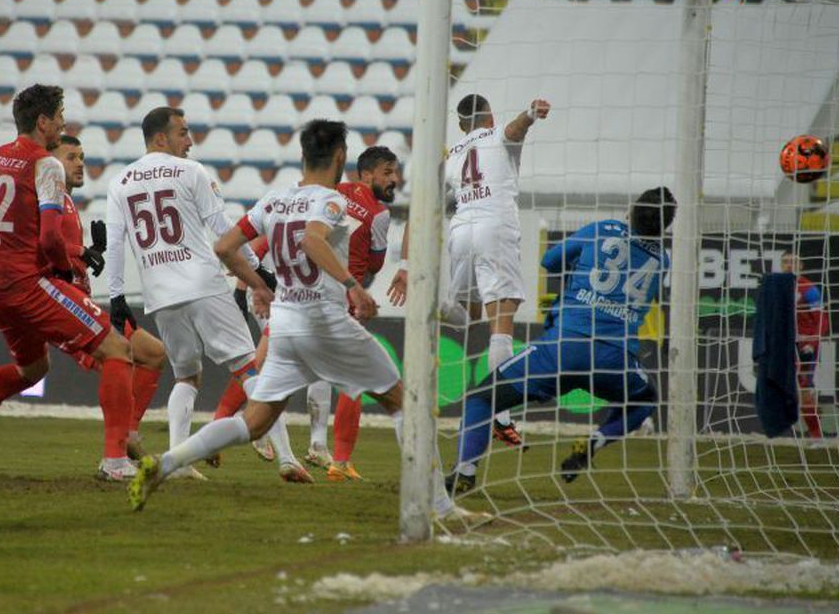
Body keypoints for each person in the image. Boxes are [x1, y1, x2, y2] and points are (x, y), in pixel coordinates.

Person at [129, 119, 488, 527]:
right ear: (340, 157)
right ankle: (443, 509)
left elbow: (225, 246)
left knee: (254, 421)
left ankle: (168, 462)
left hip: (284, 327)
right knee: (402, 403)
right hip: (324, 321)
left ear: (302, 156)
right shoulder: (331, 201)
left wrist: (259, 287)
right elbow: (312, 240)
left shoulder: (273, 201)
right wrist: (353, 285)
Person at [0, 85, 137, 482]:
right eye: (59, 116)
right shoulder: (46, 165)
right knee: (118, 350)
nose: (63, 123)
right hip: (28, 284)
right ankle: (115, 460)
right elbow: (51, 239)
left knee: (31, 368)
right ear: (42, 122)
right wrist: (66, 274)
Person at [104, 106, 309, 483]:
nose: (190, 140)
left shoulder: (120, 182)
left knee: (186, 377)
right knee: (249, 368)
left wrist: (116, 297)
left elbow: (115, 245)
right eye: (183, 132)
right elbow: (222, 226)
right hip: (201, 283)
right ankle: (286, 458)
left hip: (160, 294)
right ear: (161, 138)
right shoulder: (190, 171)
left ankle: (179, 462)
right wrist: (258, 268)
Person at [446, 187, 675, 495]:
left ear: (633, 210)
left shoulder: (601, 230)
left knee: (482, 399)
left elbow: (550, 261)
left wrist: (580, 273)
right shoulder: (664, 260)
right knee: (645, 400)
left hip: (561, 350)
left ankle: (465, 472)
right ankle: (597, 440)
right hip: (614, 360)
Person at [388, 94, 550, 449]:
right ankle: (501, 417)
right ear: (489, 116)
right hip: (495, 227)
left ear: (461, 125)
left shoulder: (450, 157)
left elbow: (420, 210)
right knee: (501, 323)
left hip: (461, 231)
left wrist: (404, 265)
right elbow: (513, 130)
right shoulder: (496, 136)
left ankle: (431, 305)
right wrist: (530, 113)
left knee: (471, 314)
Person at [52, 133, 166, 458]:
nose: (79, 164)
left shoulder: (67, 201)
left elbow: (65, 255)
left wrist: (92, 252)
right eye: (70, 156)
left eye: (82, 157)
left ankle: (128, 434)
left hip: (80, 300)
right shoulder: (48, 199)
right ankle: (117, 450)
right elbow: (42, 249)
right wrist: (80, 250)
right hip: (60, 305)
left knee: (153, 353)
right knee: (120, 358)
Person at [303, 145, 400, 481]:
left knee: (297, 368)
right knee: (354, 379)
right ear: (367, 174)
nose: (394, 180)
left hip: (309, 294)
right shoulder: (380, 214)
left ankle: (316, 444)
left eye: (395, 172)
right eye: (387, 173)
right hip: (346, 299)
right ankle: (340, 460)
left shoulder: (333, 192)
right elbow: (375, 263)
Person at [781, 250, 828, 439]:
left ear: (801, 266)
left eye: (793, 261)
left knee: (804, 388)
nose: (789, 265)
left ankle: (816, 435)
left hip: (805, 345)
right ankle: (813, 411)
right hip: (785, 344)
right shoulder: (778, 289)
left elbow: (823, 320)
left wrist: (812, 341)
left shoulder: (809, 289)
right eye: (785, 262)